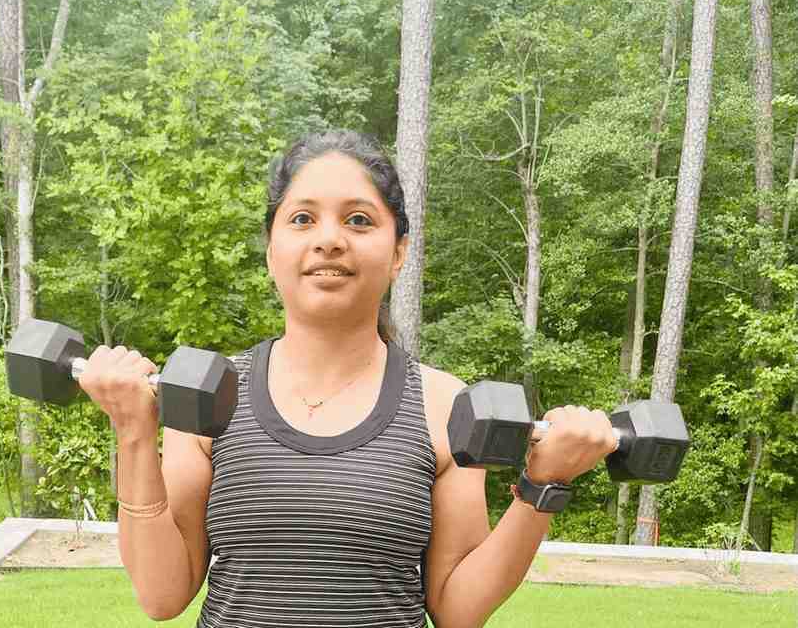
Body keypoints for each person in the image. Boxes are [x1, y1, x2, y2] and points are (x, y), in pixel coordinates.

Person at [79, 129, 616, 627]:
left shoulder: (444, 403)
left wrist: (543, 485)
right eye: (302, 219)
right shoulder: (210, 393)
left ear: (399, 251)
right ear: (272, 250)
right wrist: (133, 433)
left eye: (359, 220)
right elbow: (162, 593)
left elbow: (457, 609)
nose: (330, 240)